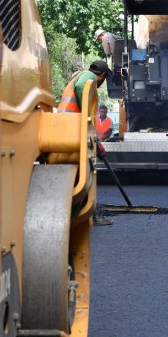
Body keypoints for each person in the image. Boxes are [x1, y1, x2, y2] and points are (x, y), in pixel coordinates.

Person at [58, 60, 115, 226]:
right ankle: (87, 216)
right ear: (102, 75)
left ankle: (77, 215)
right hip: (72, 129)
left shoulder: (79, 77)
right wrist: (87, 116)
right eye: (105, 79)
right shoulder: (88, 77)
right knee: (87, 172)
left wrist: (95, 141)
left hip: (68, 128)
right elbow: (81, 87)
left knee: (79, 175)